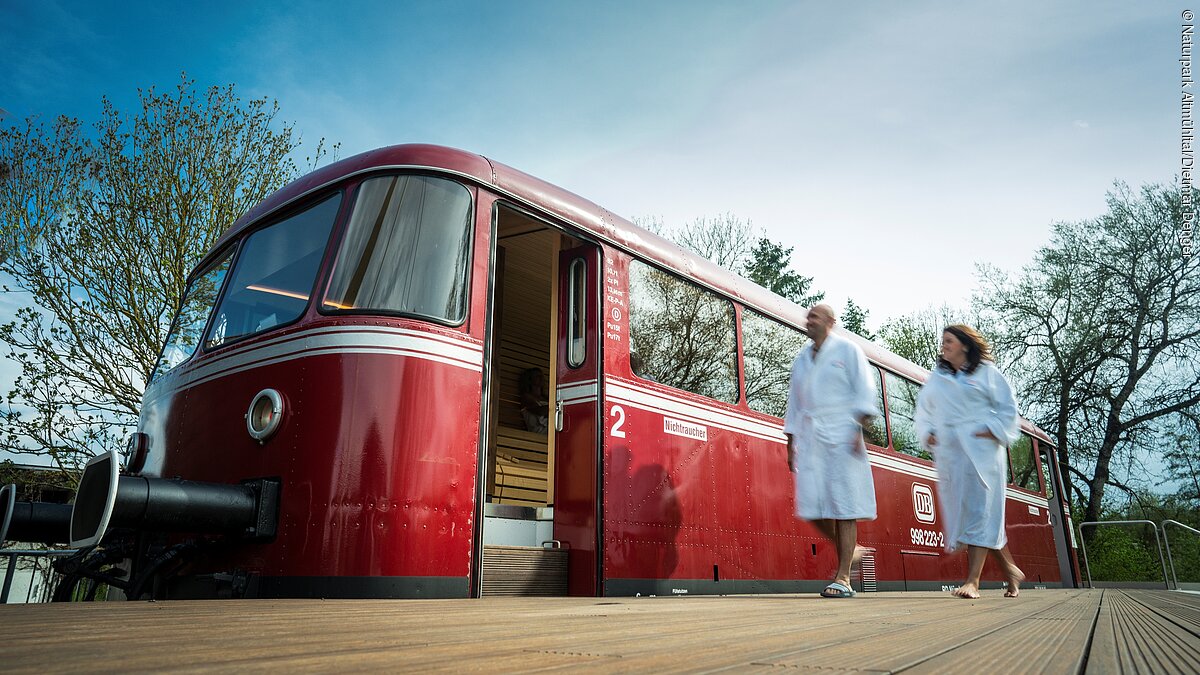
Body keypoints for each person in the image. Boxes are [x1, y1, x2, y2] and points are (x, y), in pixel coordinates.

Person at [914, 324, 1024, 599]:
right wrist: (929, 434)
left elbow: (1009, 408)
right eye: (943, 341)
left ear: (964, 344)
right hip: (953, 455)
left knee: (979, 512)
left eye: (949, 341)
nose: (944, 345)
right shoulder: (938, 379)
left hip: (982, 453)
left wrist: (992, 429)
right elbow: (924, 410)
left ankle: (972, 581)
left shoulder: (987, 374)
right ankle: (1010, 571)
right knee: (970, 514)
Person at [783, 304, 879, 598]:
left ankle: (844, 578)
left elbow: (865, 390)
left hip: (842, 433)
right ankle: (853, 552)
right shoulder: (802, 359)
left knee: (843, 506)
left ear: (830, 321)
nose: (808, 320)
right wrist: (790, 441)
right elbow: (795, 402)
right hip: (811, 438)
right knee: (811, 506)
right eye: (808, 316)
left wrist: (857, 428)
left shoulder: (848, 351)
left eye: (814, 316)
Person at [518, 367, 549, 434]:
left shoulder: (546, 397)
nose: (541, 378)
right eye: (537, 376)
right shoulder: (526, 397)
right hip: (538, 431)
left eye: (542, 376)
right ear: (530, 379)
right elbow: (540, 411)